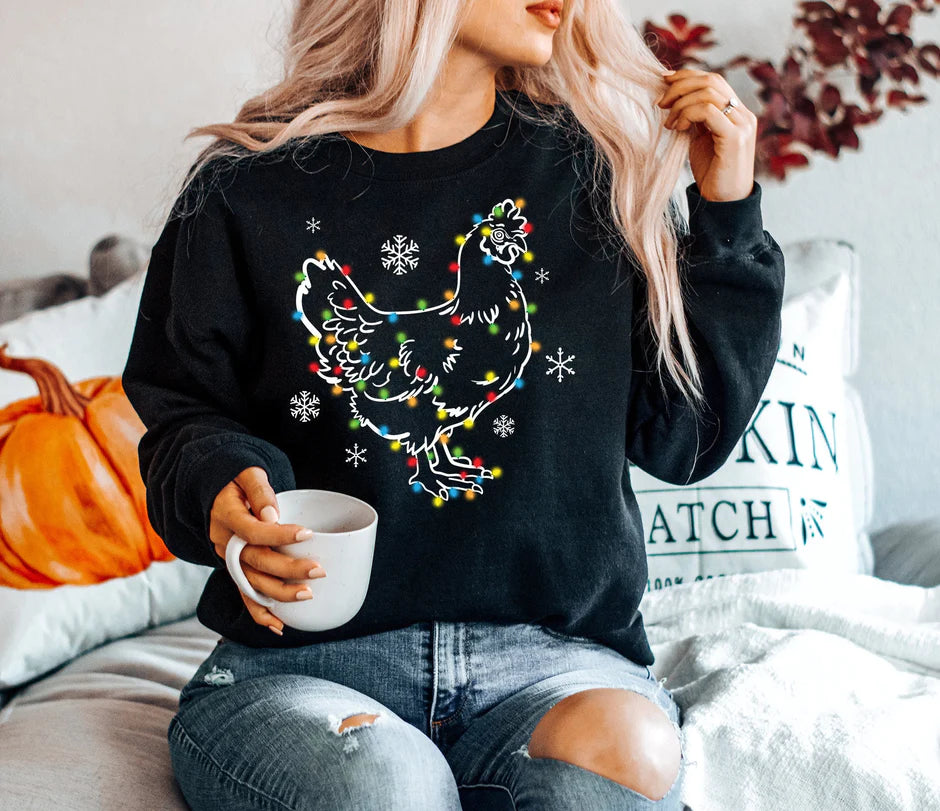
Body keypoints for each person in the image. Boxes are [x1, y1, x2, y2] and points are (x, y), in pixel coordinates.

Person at [121, 0, 784, 808]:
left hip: (556, 666)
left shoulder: (595, 174)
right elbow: (183, 411)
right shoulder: (244, 190)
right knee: (388, 782)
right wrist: (226, 486)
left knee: (629, 751)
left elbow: (688, 437)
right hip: (306, 668)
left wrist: (728, 216)